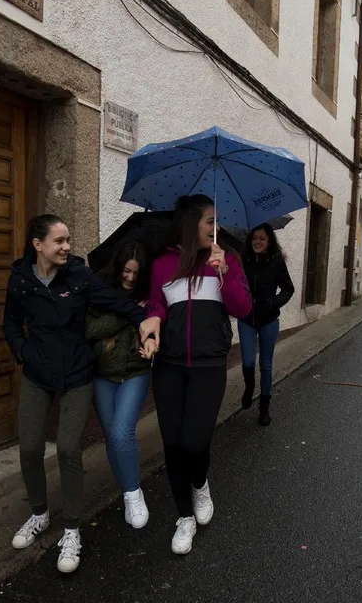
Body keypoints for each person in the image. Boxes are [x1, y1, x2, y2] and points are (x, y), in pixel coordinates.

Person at [3, 215, 158, 573]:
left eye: (68, 240)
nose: (67, 247)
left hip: (76, 374)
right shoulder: (21, 279)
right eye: (59, 241)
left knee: (69, 448)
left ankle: (72, 530)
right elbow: (10, 322)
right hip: (38, 373)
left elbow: (118, 302)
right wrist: (22, 351)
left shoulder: (79, 276)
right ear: (38, 245)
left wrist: (146, 320)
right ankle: (39, 514)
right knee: (30, 447)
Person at [140, 194, 252, 555]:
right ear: (190, 224)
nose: (216, 227)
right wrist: (152, 320)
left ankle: (200, 483)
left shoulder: (227, 260)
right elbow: (156, 302)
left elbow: (243, 308)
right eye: (210, 221)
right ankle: (184, 516)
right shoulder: (162, 263)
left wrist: (224, 274)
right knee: (172, 443)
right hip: (169, 367)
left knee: (195, 441)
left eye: (217, 221)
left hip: (208, 366)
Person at [85, 242, 153, 529]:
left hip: (135, 373)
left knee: (122, 432)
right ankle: (127, 489)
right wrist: (127, 312)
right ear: (118, 268)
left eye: (136, 273)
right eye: (127, 271)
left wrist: (151, 340)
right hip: (103, 374)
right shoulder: (99, 290)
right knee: (112, 437)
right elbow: (89, 329)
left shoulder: (149, 295)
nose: (130, 278)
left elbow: (156, 330)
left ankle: (133, 494)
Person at [238, 223, 295, 425]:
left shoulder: (276, 261)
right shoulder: (243, 259)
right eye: (255, 238)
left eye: (262, 238)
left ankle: (264, 407)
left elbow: (288, 288)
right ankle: (249, 387)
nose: (257, 242)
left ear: (269, 241)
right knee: (247, 362)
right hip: (246, 319)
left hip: (268, 320)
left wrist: (273, 303)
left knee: (266, 364)